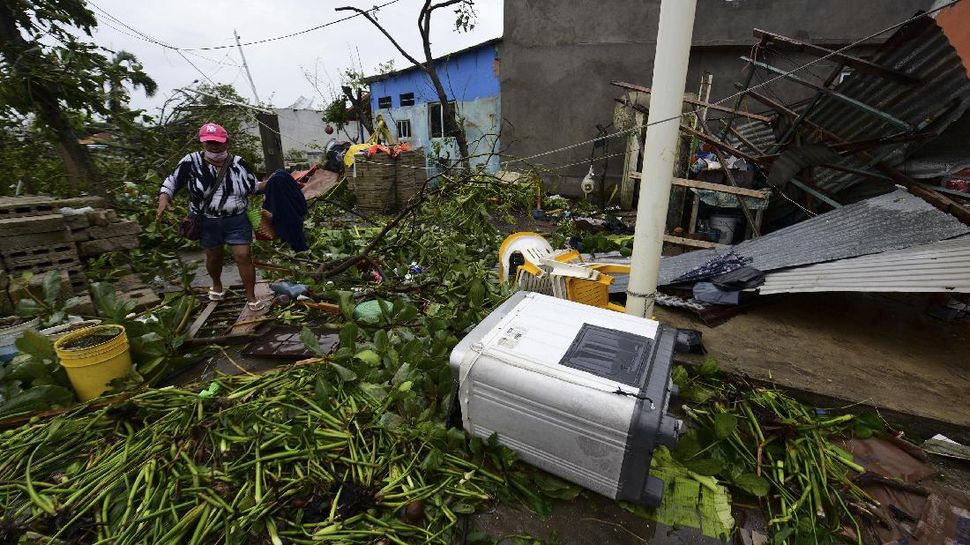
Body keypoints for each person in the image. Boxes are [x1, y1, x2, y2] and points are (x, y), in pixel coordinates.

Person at [156, 122, 267, 311]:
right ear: (203, 143)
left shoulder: (238, 163)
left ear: (227, 142)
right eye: (209, 143)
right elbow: (171, 182)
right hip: (208, 220)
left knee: (244, 255)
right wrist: (164, 199)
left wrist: (279, 181)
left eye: (218, 142)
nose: (214, 146)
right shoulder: (191, 162)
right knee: (214, 257)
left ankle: (251, 296)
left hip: (237, 218)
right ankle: (216, 284)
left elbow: (252, 186)